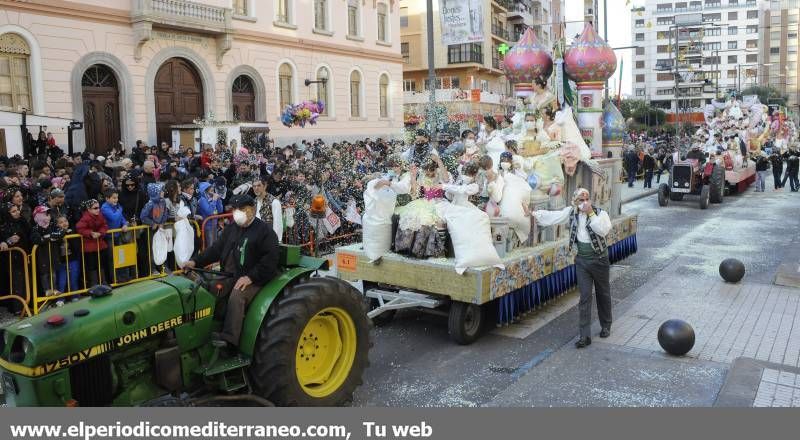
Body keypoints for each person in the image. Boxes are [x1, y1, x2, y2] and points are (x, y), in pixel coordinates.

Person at [184, 195, 280, 348]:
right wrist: (195, 261)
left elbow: (270, 261)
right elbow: (216, 249)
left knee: (237, 294)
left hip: (256, 279)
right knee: (207, 288)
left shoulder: (265, 231)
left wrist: (250, 277)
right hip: (231, 275)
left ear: (252, 210)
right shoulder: (232, 228)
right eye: (235, 209)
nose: (237, 213)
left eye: (241, 209)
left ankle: (229, 339)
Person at [531, 188, 612, 348]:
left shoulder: (601, 213)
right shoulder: (571, 212)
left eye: (587, 199)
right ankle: (584, 336)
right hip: (582, 261)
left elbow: (602, 230)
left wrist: (590, 213)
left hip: (600, 260)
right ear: (575, 202)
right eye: (581, 200)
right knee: (585, 297)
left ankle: (606, 325)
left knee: (603, 293)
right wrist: (533, 213)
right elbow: (553, 216)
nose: (584, 203)